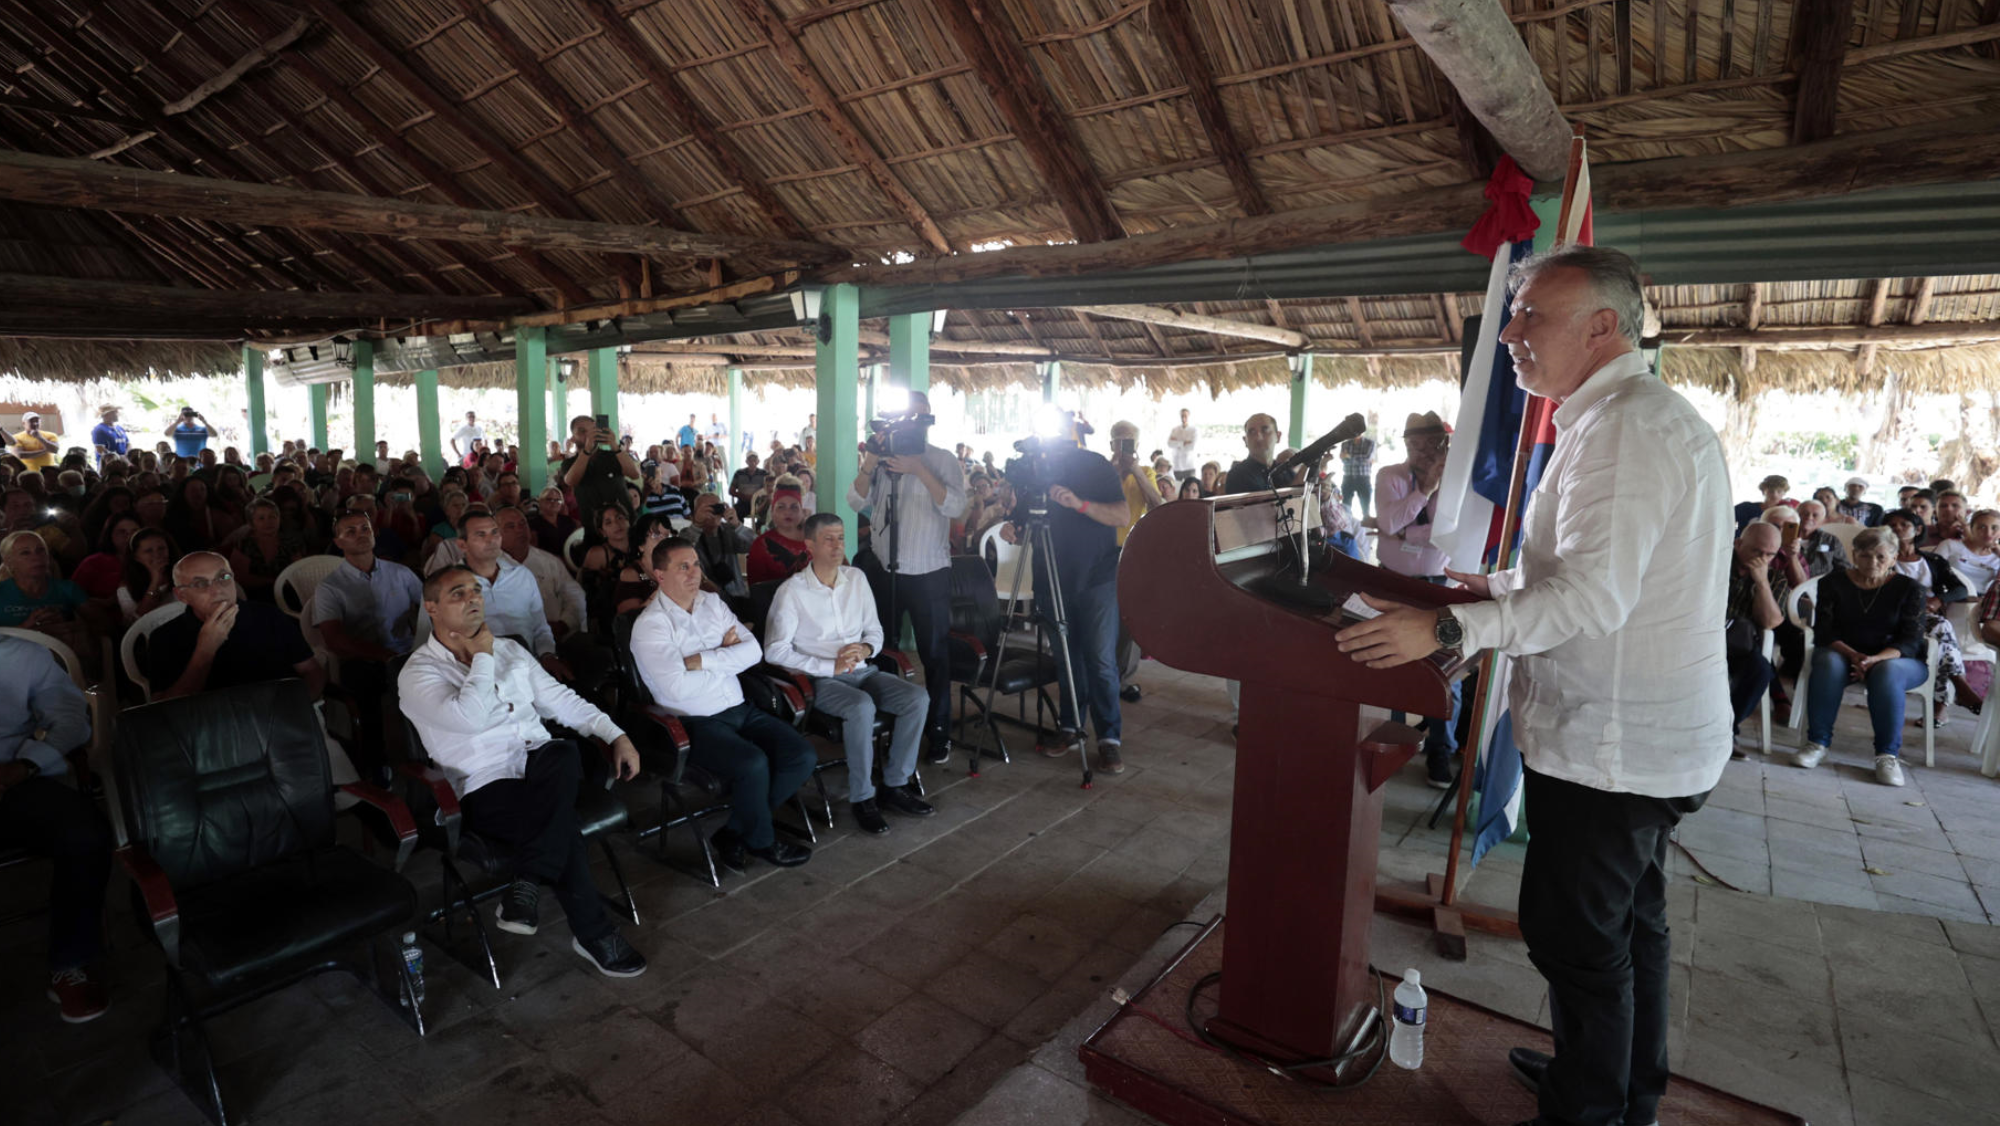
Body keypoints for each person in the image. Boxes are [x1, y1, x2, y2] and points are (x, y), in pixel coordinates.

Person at [1333, 245, 1727, 1126]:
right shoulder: (1614, 417)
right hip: (1642, 740)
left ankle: (1587, 1110)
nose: (1508, 333)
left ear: (1602, 326)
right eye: (1513, 314)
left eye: (1530, 315)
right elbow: (1583, 573)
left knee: (1578, 940)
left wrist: (1446, 628)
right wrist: (1491, 590)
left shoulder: (1625, 430)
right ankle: (1619, 1086)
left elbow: (1591, 598)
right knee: (1631, 927)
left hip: (1614, 748)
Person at [399, 566, 648, 978]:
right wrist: (483, 656)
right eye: (458, 593)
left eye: (475, 590)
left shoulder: (510, 651)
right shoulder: (418, 672)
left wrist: (616, 734)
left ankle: (527, 883)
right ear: (432, 608)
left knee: (564, 751)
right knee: (562, 827)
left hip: (543, 766)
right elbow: (470, 718)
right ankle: (594, 934)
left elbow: (561, 701)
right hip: (485, 784)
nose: (473, 598)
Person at [629, 538, 816, 872]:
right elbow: (676, 687)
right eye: (682, 567)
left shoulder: (712, 603)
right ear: (660, 575)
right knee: (753, 763)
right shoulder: (650, 626)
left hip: (740, 708)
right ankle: (761, 840)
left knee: (801, 754)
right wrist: (727, 654)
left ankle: (734, 833)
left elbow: (753, 652)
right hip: (695, 721)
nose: (694, 573)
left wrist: (701, 660)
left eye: (696, 564)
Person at [765, 513, 935, 834]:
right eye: (828, 539)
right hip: (821, 680)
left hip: (863, 671)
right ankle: (862, 797)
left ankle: (895, 784)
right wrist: (829, 666)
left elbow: (874, 630)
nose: (837, 546)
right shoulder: (793, 591)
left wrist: (866, 649)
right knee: (861, 706)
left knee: (917, 697)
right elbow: (775, 651)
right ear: (809, 545)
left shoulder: (856, 578)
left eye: (841, 538)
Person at [998, 415, 1129, 773]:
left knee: (1100, 661)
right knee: (1067, 660)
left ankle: (1109, 739)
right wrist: (1013, 530)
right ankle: (1070, 727)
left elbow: (1122, 515)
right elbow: (1025, 522)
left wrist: (1079, 504)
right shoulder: (1033, 469)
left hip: (1097, 577)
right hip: (1051, 579)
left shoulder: (1095, 465)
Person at [845, 392, 968, 762]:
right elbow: (855, 501)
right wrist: (871, 460)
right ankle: (887, 726)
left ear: (927, 417)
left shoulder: (942, 459)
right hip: (885, 571)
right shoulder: (883, 460)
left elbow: (955, 506)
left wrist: (918, 469)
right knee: (882, 649)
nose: (908, 423)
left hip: (929, 573)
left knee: (934, 654)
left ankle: (939, 731)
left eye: (916, 416)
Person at [0, 634, 112, 1023]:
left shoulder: (22, 655)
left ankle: (70, 960)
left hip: (13, 776)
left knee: (85, 833)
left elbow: (69, 716)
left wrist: (27, 764)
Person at [1794, 528, 1926, 786]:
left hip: (1896, 658)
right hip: (1843, 652)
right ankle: (1817, 743)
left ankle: (1887, 756)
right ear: (1854, 555)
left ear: (1894, 557)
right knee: (1828, 662)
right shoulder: (1833, 582)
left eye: (1881, 556)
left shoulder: (1910, 589)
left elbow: (1911, 641)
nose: (1872, 562)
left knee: (1888, 672)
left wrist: (1875, 660)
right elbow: (1824, 632)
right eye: (1865, 555)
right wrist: (1854, 655)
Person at [1372, 411, 1459, 786]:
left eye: (1429, 443)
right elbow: (1388, 523)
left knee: (1444, 670)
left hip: (1438, 585)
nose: (1421, 451)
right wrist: (1423, 492)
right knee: (1391, 661)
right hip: (1393, 583)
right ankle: (1394, 741)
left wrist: (1407, 534)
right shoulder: (1390, 476)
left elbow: (1447, 533)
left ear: (1443, 444)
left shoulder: (1457, 480)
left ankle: (1441, 751)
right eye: (1413, 443)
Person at [147, 552, 327, 702]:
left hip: (279, 717)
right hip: (211, 726)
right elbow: (164, 709)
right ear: (182, 595)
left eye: (223, 577)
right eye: (200, 584)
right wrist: (205, 651)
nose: (217, 589)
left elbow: (311, 670)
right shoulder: (164, 637)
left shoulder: (269, 616)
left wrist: (298, 706)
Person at [1879, 508, 1981, 716]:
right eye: (1892, 525)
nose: (1897, 529)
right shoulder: (1880, 559)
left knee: (1941, 643)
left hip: (1927, 619)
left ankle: (1947, 701)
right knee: (1942, 629)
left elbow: (1959, 588)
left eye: (1904, 525)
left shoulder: (1932, 561)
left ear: (1917, 530)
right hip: (1893, 619)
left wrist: (1938, 599)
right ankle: (1956, 691)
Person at [1725, 523, 1786, 749]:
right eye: (1756, 551)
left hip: (1739, 644)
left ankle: (1726, 730)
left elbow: (1770, 622)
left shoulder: (1775, 578)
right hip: (1702, 636)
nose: (1762, 558)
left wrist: (1761, 583)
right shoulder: (1717, 563)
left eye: (1769, 554)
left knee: (1761, 670)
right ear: (1738, 543)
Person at [0, 530, 89, 633]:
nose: (36, 557)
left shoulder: (68, 589)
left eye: (41, 550)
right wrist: (26, 627)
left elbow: (100, 625)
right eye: (25, 553)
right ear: (9, 561)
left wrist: (68, 624)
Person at [561, 414, 639, 522]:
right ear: (573, 438)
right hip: (593, 526)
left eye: (593, 431)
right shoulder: (569, 463)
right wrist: (587, 450)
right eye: (582, 431)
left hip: (626, 522)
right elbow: (571, 481)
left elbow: (635, 474)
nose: (589, 435)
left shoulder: (613, 455)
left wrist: (614, 445)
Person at [229, 497, 302, 603]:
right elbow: (239, 578)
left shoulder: (290, 542)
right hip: (254, 597)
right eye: (261, 518)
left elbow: (299, 571)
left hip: (287, 594)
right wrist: (274, 581)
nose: (269, 522)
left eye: (273, 516)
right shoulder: (243, 545)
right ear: (251, 523)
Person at [689, 491, 754, 601]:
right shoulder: (690, 534)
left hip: (737, 594)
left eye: (717, 507)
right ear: (695, 513)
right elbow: (681, 551)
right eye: (706, 509)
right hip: (706, 600)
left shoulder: (728, 530)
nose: (713, 513)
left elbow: (756, 546)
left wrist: (737, 525)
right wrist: (697, 525)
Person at [747, 476, 811, 585]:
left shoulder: (815, 539)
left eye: (794, 507)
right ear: (772, 512)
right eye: (781, 507)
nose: (788, 512)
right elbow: (757, 589)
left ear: (802, 512)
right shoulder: (761, 545)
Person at [1222, 413, 1298, 494]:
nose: (1258, 437)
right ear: (1245, 440)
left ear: (1278, 436)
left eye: (1265, 430)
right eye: (1252, 432)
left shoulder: (1286, 472)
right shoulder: (1237, 475)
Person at [117, 527, 179, 625]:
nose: (157, 554)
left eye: (161, 548)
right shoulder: (126, 587)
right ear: (136, 557)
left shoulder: (183, 575)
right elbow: (135, 623)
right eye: (149, 551)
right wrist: (155, 581)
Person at [1940, 508, 2000, 597]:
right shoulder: (1950, 545)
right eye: (1982, 527)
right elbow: (1932, 572)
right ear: (1971, 529)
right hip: (1951, 598)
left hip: (1983, 601)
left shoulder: (1998, 555)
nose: (1988, 533)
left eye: (1994, 528)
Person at [1795, 500, 1852, 580]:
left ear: (1823, 520)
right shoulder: (1784, 538)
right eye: (1805, 513)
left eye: (1815, 515)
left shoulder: (1830, 540)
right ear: (1796, 515)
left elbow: (1844, 568)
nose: (1809, 517)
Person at [1339, 425, 1377, 519]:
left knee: (1366, 510)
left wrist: (1348, 456)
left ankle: (1366, 522)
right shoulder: (1345, 444)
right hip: (1348, 478)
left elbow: (1367, 458)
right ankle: (1347, 525)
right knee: (1346, 508)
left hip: (1363, 478)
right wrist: (1360, 458)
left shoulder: (1370, 443)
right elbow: (1344, 460)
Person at [729, 452, 771, 521]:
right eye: (750, 460)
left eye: (754, 460)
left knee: (766, 511)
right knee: (735, 513)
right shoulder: (739, 473)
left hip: (759, 503)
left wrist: (756, 497)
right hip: (742, 502)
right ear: (746, 461)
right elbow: (731, 491)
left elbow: (769, 488)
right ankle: (738, 527)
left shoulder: (764, 473)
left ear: (758, 461)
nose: (753, 463)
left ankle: (759, 526)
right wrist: (743, 496)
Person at [1166, 408, 1199, 475]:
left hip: (1189, 465)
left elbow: (1192, 446)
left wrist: (1177, 442)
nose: (1183, 418)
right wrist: (1184, 443)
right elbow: (1169, 444)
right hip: (1177, 465)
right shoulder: (1175, 429)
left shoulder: (1194, 430)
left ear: (1189, 416)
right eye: (1182, 416)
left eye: (1185, 416)